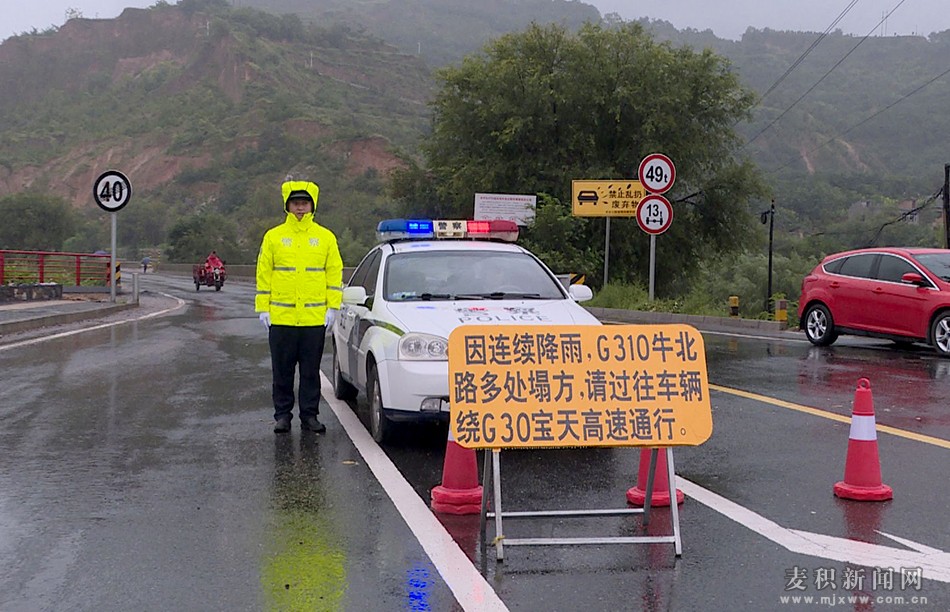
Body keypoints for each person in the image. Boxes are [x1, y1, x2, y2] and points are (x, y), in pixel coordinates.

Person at [255, 180, 343, 434]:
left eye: (305, 203)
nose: (300, 208)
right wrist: (263, 308)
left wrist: (333, 308)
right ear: (287, 206)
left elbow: (333, 273)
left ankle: (309, 416)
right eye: (296, 203)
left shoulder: (325, 237)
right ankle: (282, 416)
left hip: (313, 319)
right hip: (281, 319)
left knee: (310, 373)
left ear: (312, 206)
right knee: (281, 373)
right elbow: (264, 273)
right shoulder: (273, 237)